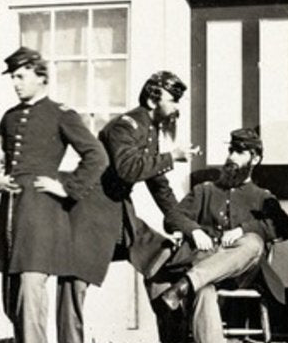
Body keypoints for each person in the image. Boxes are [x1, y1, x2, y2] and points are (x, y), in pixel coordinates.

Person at [0, 46, 108, 343]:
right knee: (12, 293)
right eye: (12, 77)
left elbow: (97, 156)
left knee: (31, 284)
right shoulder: (9, 117)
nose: (15, 83)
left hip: (40, 211)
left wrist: (66, 189)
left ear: (41, 77)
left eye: (21, 76)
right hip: (10, 211)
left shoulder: (61, 114)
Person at [153, 128, 288, 343]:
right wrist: (194, 230)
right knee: (203, 289)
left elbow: (285, 227)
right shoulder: (205, 191)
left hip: (243, 274)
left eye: (239, 152)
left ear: (255, 158)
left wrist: (244, 229)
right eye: (231, 150)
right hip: (208, 269)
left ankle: (183, 285)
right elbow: (172, 217)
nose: (231, 157)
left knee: (252, 242)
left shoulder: (262, 197)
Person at [69, 70, 200, 291]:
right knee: (78, 280)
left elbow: (160, 187)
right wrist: (172, 157)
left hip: (117, 211)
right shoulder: (125, 127)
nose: (177, 107)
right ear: (152, 100)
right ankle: (69, 327)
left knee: (161, 256)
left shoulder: (149, 130)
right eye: (173, 100)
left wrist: (186, 226)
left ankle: (171, 318)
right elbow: (127, 169)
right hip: (91, 211)